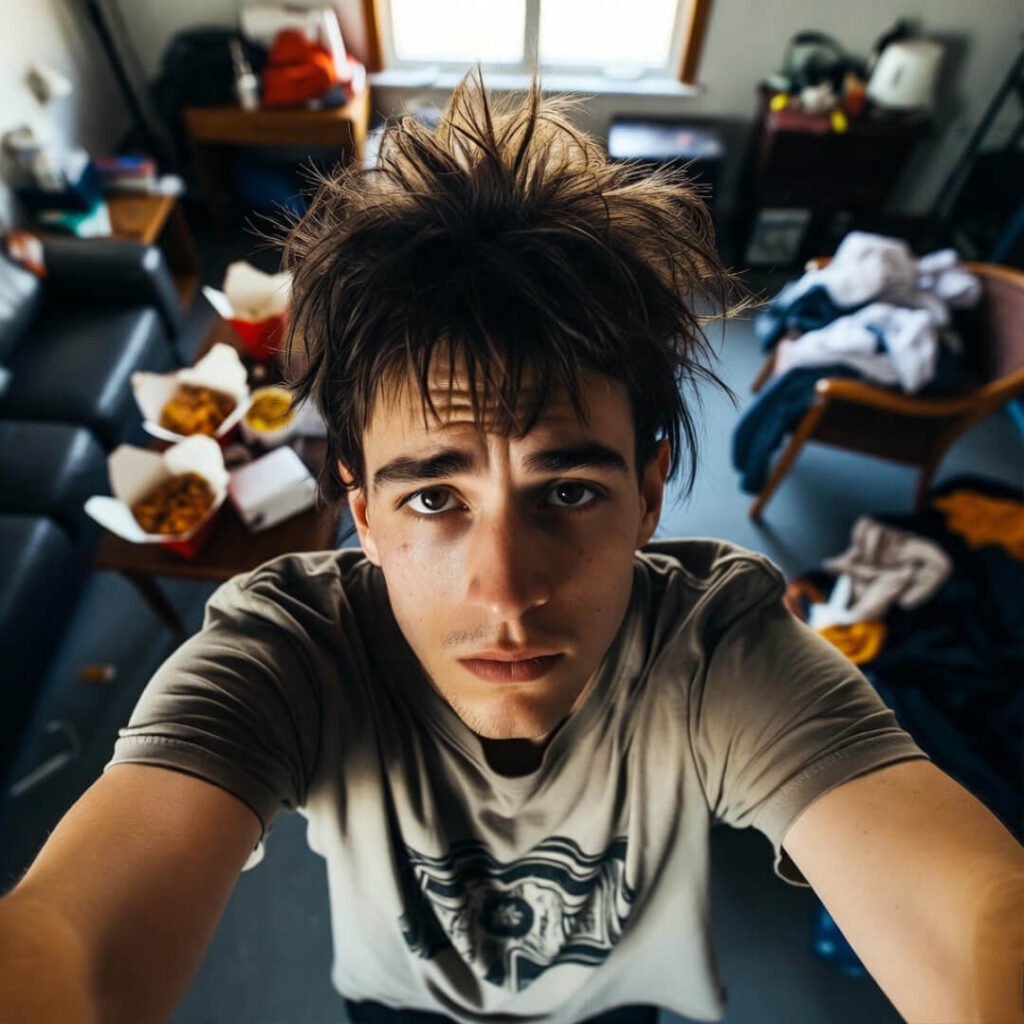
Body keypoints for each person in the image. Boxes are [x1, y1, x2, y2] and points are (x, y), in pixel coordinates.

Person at [1, 70, 1021, 1024]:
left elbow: (974, 916)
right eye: (435, 496)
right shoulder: (290, 652)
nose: (506, 590)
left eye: (568, 491)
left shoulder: (715, 649)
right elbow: (70, 944)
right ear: (359, 508)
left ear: (650, 492)